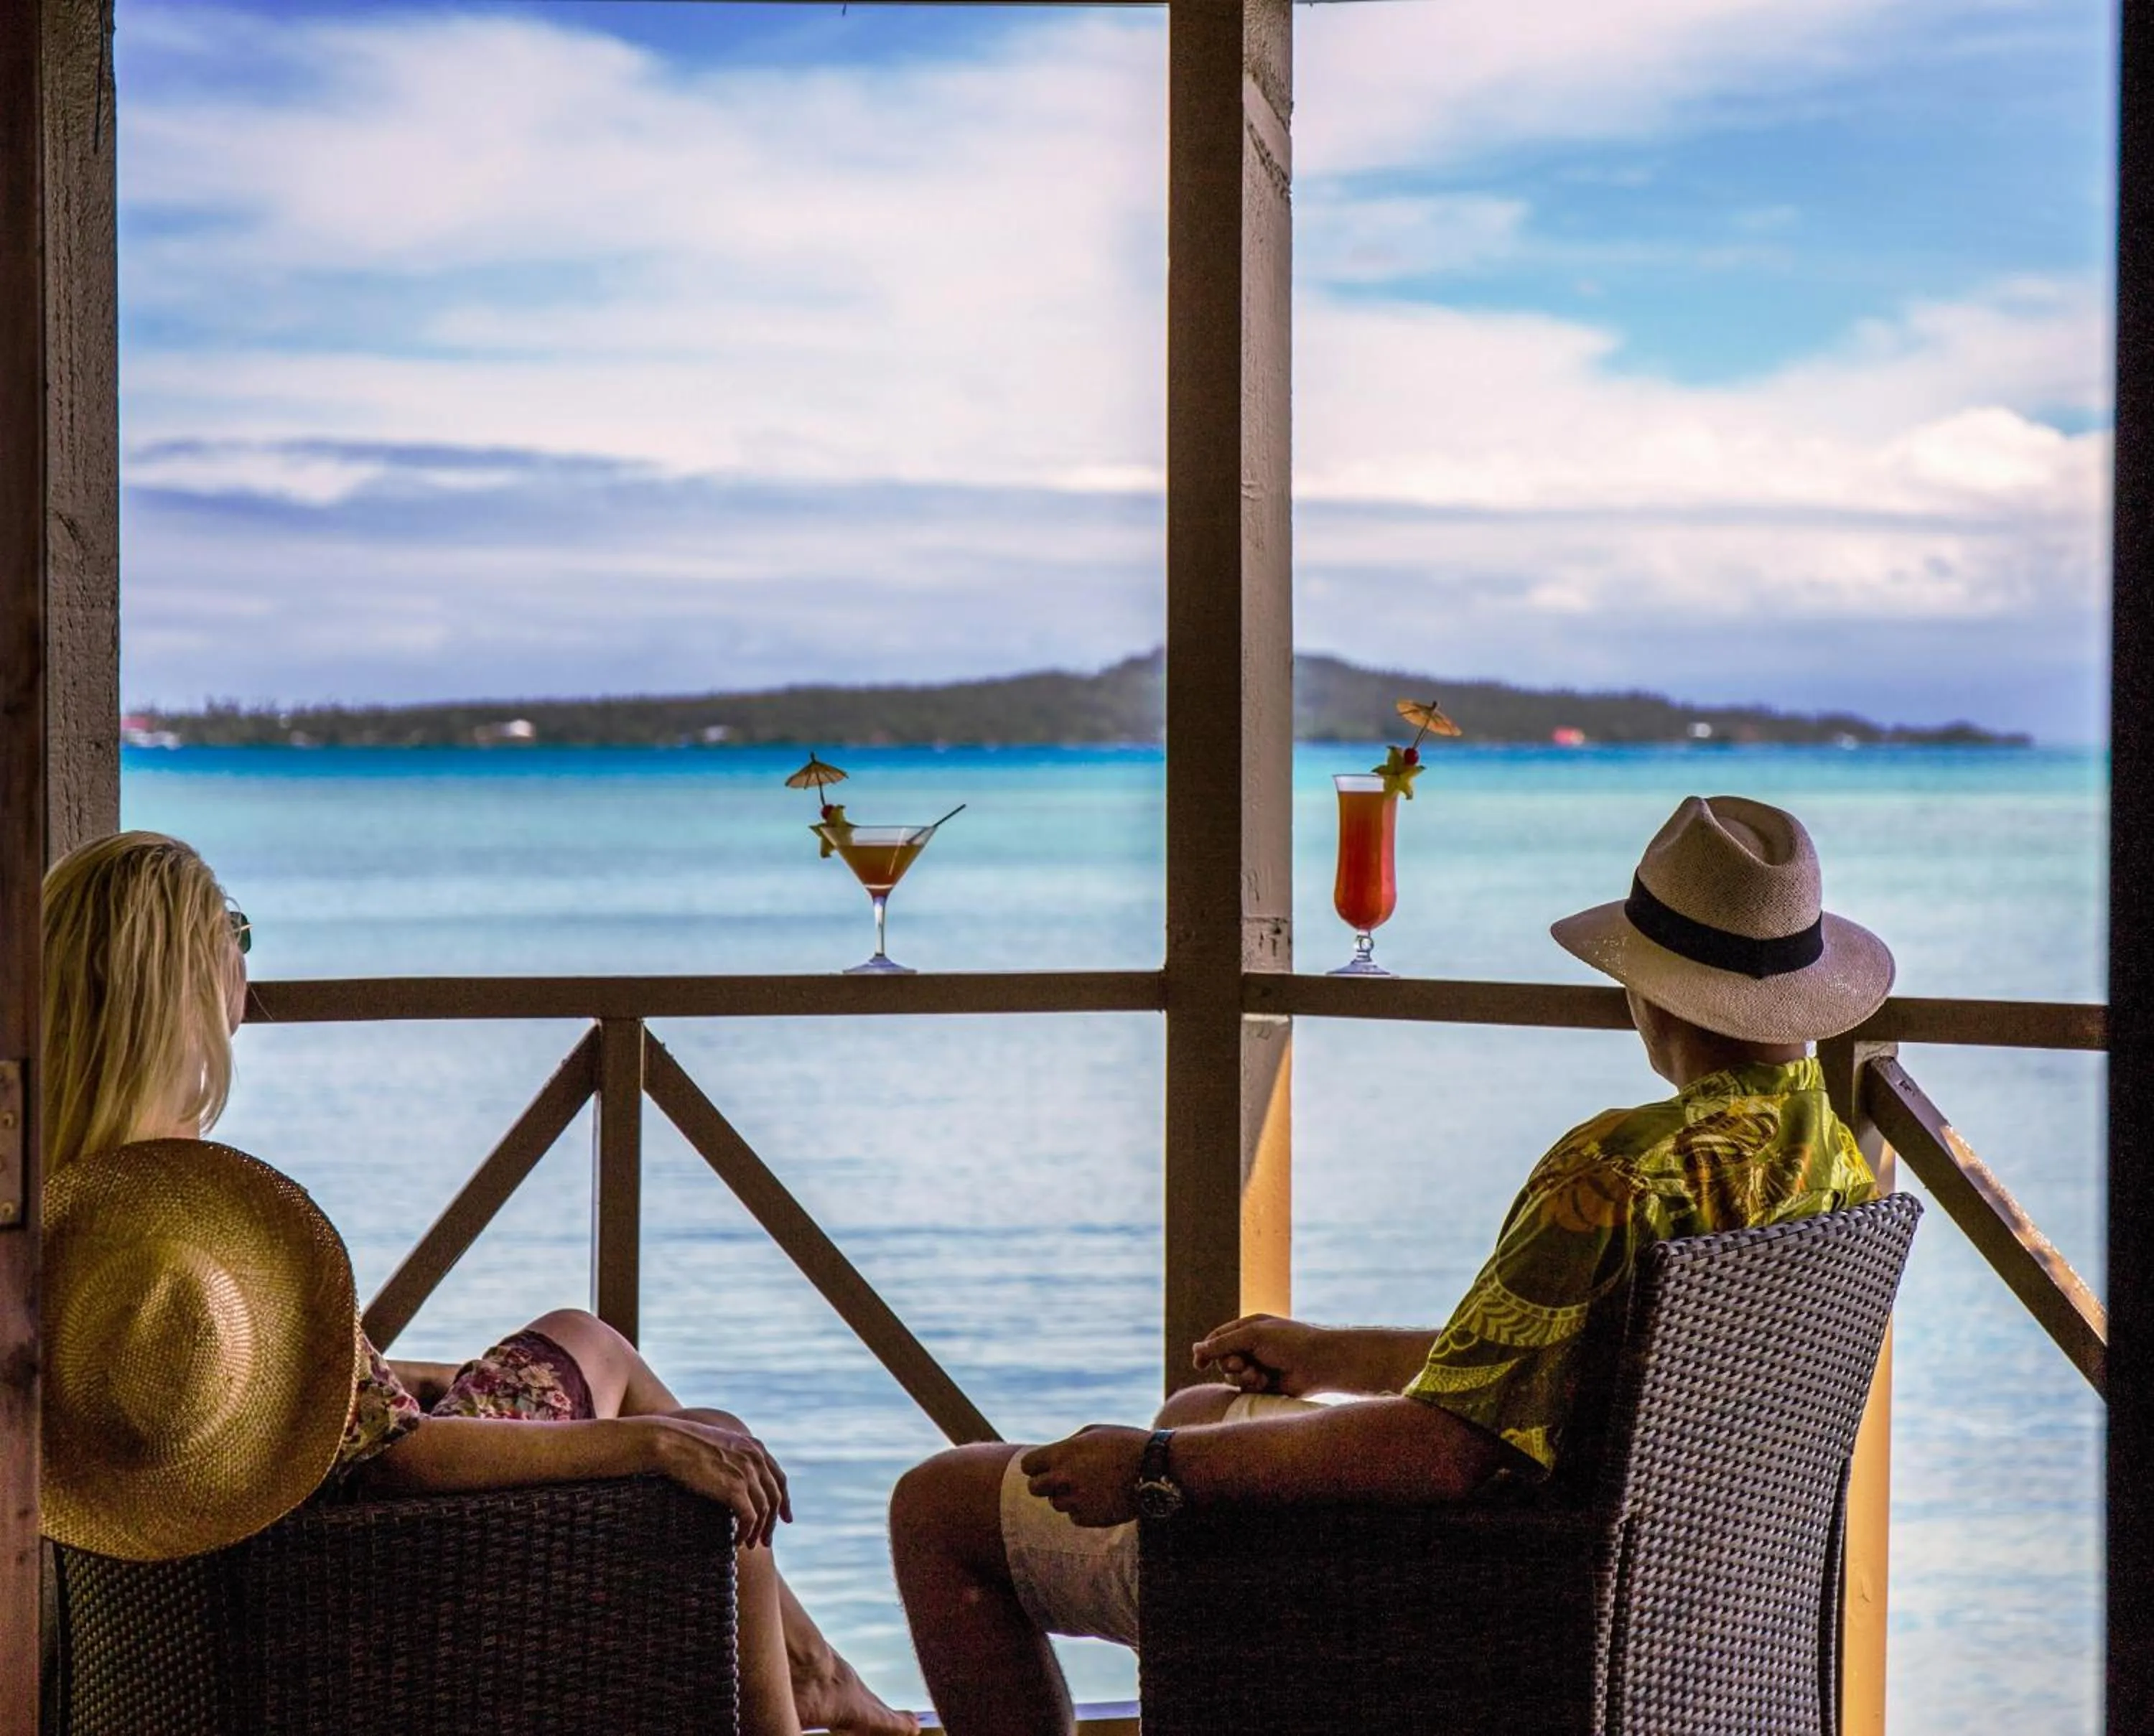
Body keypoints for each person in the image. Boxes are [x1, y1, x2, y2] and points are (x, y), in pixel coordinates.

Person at [888, 793, 1895, 1736]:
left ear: (1642, 985)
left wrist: (1147, 1471)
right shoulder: (1834, 1161)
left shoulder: (1617, 1171)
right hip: (1696, 1600)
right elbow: (1606, 1373)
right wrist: (1334, 1354)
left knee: (943, 1503)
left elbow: (1445, 1453)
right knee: (1201, 1407)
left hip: (1475, 1607)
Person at [40, 829, 918, 1736]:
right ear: (181, 976)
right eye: (235, 933)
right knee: (704, 1437)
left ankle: (815, 1671)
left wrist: (396, 1375)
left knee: (596, 1351)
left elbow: (296, 1400)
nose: (244, 959)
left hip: (222, 1569)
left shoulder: (66, 1200)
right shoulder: (199, 1213)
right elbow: (398, 1460)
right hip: (371, 1558)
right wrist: (651, 1445)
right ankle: (805, 1684)